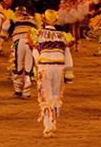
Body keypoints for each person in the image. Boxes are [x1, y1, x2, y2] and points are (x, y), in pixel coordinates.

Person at [31, 9, 73, 137]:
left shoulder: (38, 34)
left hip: (45, 66)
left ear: (43, 20)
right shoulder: (62, 36)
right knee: (55, 96)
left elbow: (35, 51)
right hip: (59, 67)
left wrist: (37, 65)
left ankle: (48, 127)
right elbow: (67, 54)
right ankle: (52, 123)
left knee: (45, 96)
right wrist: (68, 72)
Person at [5, 4, 37, 98]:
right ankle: (26, 92)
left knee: (18, 66)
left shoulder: (13, 18)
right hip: (30, 42)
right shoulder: (33, 19)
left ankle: (18, 90)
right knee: (29, 67)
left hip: (19, 42)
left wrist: (3, 37)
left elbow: (4, 29)